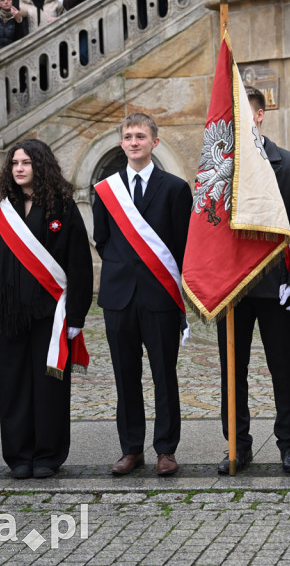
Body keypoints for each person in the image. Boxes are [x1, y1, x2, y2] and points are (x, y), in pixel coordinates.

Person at [0, 139, 93, 479]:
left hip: (51, 314)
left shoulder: (63, 206)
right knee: (13, 385)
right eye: (14, 163)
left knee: (49, 385)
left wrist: (77, 316)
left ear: (41, 166)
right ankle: (19, 456)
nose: (20, 168)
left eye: (27, 162)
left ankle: (47, 456)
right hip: (7, 312)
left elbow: (80, 264)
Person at [93, 113, 193, 477]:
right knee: (125, 375)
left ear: (155, 142)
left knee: (164, 374)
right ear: (121, 143)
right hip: (118, 297)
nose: (134, 142)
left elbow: (183, 244)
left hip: (160, 296)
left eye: (141, 136)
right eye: (128, 137)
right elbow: (102, 240)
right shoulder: (106, 189)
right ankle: (131, 448)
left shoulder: (175, 188)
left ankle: (166, 449)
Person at [217, 86, 290, 474]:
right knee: (232, 371)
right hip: (232, 289)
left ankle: (289, 443)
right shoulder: (219, 167)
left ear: (259, 116)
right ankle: (237, 444)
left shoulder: (286, 164)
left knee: (283, 368)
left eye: (246, 114)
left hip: (275, 285)